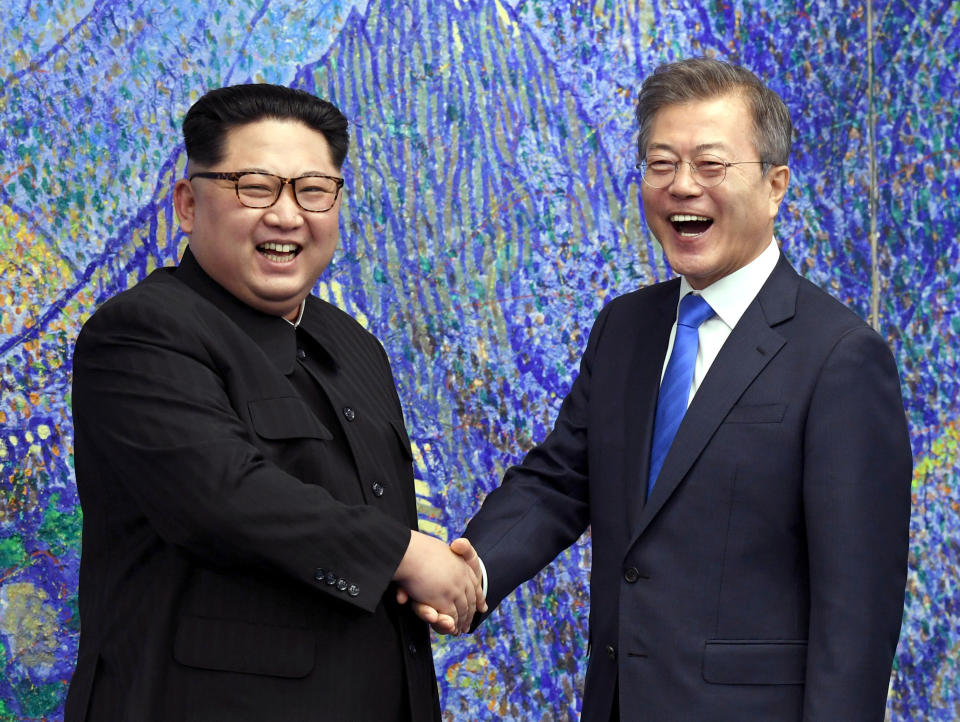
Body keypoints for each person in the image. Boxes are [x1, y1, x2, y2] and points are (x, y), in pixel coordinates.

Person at [427, 58, 912, 720]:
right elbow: (559, 482)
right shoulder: (626, 326)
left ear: (776, 186)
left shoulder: (841, 358)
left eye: (711, 166)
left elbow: (856, 610)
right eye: (661, 164)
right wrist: (469, 573)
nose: (683, 186)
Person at [65, 83, 484, 722]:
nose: (287, 215)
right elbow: (221, 498)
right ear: (187, 203)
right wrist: (407, 555)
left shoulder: (353, 344)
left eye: (313, 190)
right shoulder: (141, 332)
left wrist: (436, 578)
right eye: (255, 186)